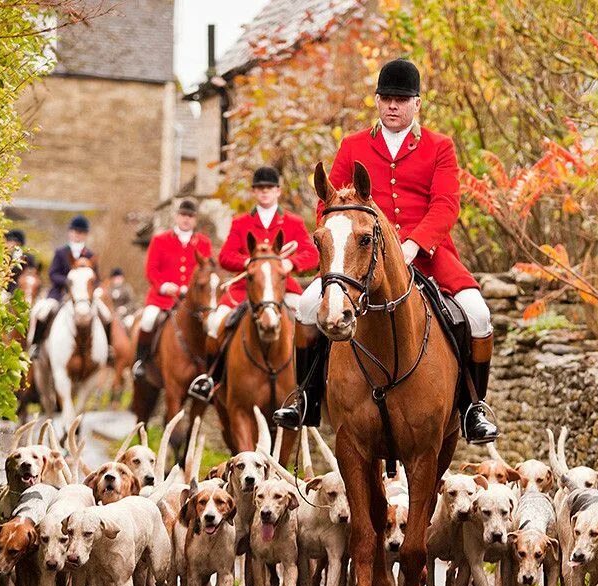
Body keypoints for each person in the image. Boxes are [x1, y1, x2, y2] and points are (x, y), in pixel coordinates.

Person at [272, 58, 498, 444]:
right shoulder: (354, 145)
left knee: (478, 313)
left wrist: (413, 243)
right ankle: (306, 398)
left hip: (426, 254)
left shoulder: (439, 147)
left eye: (402, 99)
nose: (393, 106)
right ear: (377, 101)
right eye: (386, 98)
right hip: (359, 256)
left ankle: (473, 408)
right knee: (306, 306)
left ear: (417, 104)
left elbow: (446, 205)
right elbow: (329, 201)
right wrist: (335, 235)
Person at [187, 166, 318, 400]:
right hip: (244, 291)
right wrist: (249, 262)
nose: (265, 192)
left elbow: (312, 254)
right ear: (254, 192)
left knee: (308, 324)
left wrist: (291, 264)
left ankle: (310, 386)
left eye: (269, 188)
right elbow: (226, 256)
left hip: (283, 289)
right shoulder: (240, 223)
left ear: (278, 191)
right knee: (215, 323)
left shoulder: (293, 222)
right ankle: (212, 380)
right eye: (260, 189)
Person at [132, 198, 212, 380]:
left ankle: (212, 370)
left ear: (195, 219)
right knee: (147, 320)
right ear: (176, 217)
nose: (186, 219)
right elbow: (151, 270)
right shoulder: (160, 240)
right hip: (162, 299)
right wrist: (163, 286)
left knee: (211, 325)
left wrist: (190, 289)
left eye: (190, 216)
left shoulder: (204, 243)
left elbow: (206, 271)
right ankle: (141, 362)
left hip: (192, 301)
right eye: (183, 215)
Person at [29, 215, 111, 359]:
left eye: (81, 232)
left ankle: (109, 348)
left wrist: (91, 287)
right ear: (70, 232)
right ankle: (37, 345)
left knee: (106, 315)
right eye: (75, 231)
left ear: (85, 235)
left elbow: (96, 278)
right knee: (43, 313)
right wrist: (68, 281)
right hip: (61, 293)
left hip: (84, 297)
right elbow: (53, 273)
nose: (77, 235)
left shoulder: (90, 255)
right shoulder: (61, 252)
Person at [4, 228, 38, 295]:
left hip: (22, 289)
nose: (7, 243)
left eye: (10, 241)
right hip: (5, 288)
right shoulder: (5, 255)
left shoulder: (29, 258)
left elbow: (31, 275)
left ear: (18, 243)